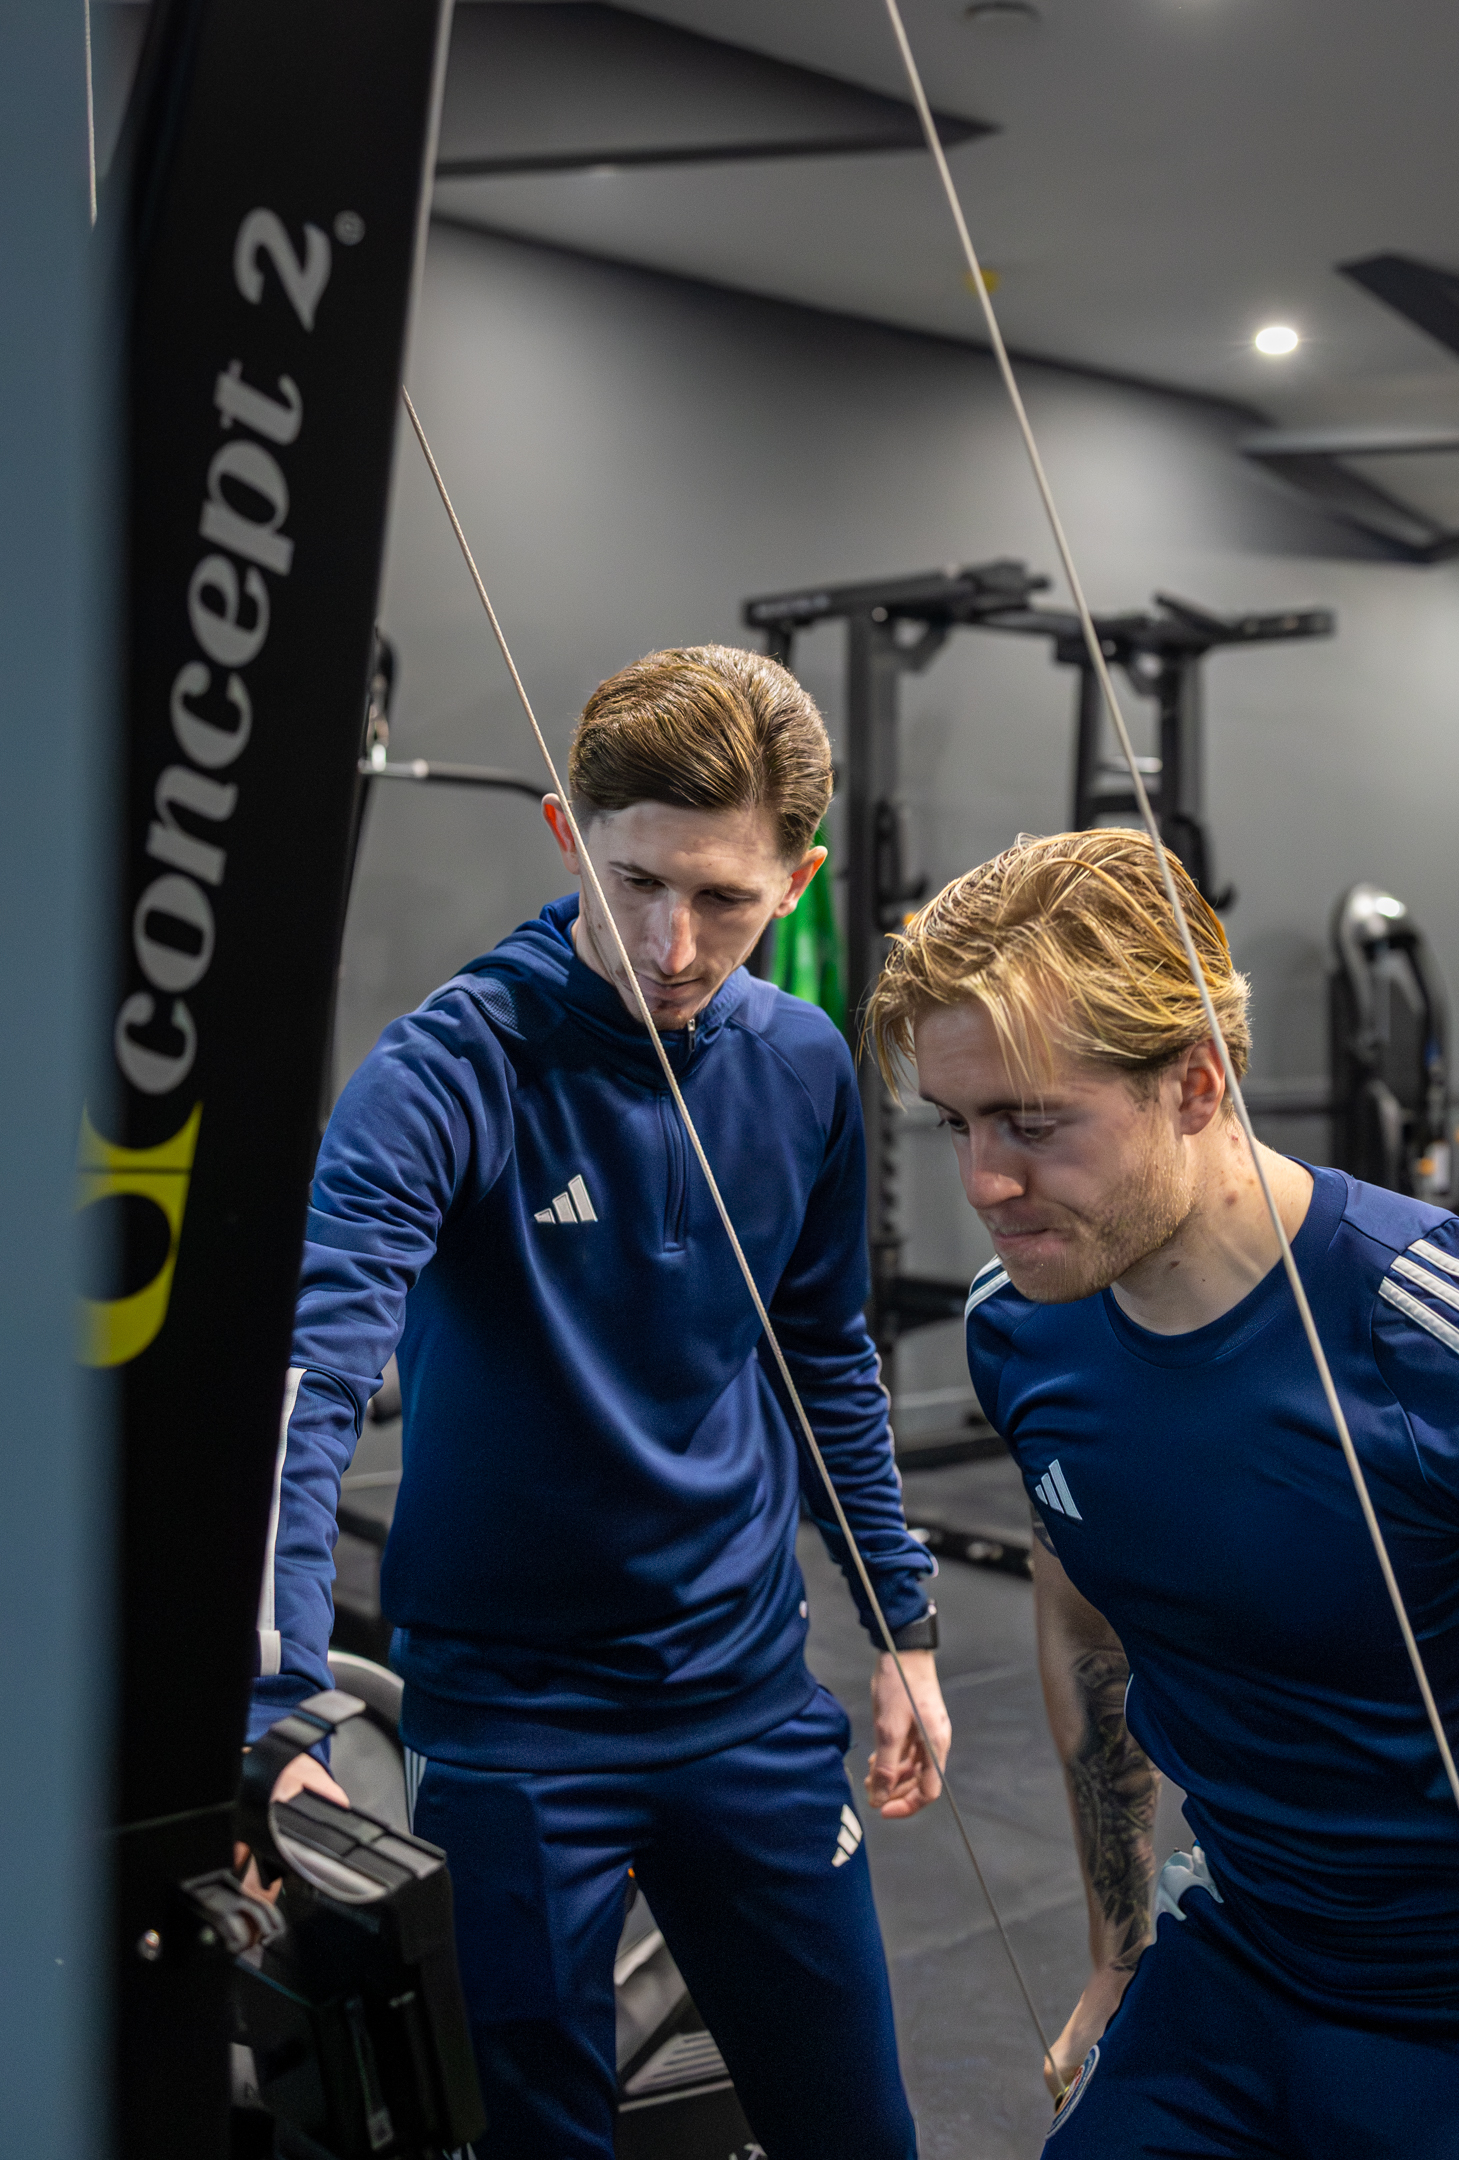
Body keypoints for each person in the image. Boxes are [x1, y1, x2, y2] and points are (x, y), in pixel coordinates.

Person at [864, 825, 1459, 2159]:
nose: (984, 1182)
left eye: (1034, 1123)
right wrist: (1117, 1957)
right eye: (958, 1122)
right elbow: (1091, 1627)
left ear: (1197, 1083)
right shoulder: (1020, 1324)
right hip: (1230, 1956)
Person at [250, 645, 950, 2159]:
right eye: (635, 882)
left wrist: (901, 1624)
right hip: (513, 1730)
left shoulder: (809, 1069)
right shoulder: (449, 1069)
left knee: (859, 2133)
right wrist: (276, 1705)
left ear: (802, 882)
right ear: (572, 833)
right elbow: (309, 1384)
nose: (672, 941)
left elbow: (823, 1354)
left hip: (748, 1696)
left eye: (725, 901)